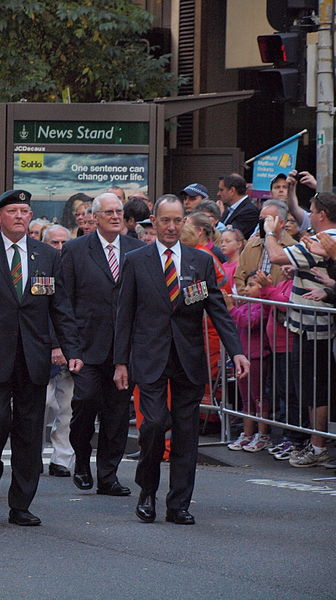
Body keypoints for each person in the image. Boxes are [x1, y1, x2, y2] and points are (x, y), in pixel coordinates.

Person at [0, 190, 82, 527]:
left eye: (25, 210)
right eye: (13, 210)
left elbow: (60, 306)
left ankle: (21, 503)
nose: (21, 216)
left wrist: (72, 349)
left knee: (28, 430)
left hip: (33, 356)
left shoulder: (46, 255)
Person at [114, 195, 248, 525]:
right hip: (150, 356)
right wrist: (120, 362)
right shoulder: (136, 259)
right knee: (155, 424)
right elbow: (124, 315)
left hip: (188, 357)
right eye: (165, 221)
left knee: (187, 433)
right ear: (154, 223)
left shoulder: (199, 261)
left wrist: (237, 350)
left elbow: (217, 308)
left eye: (178, 220)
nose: (172, 227)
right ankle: (147, 490)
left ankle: (179, 504)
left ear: (184, 221)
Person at [62, 193, 143, 495]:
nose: (115, 216)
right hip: (86, 347)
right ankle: (82, 459)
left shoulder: (137, 250)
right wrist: (67, 347)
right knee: (84, 403)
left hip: (124, 349)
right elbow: (64, 301)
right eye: (108, 212)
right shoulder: (74, 250)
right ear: (94, 217)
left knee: (117, 413)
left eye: (119, 211)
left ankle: (108, 475)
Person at [263, 194, 336, 467]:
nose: (310, 216)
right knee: (308, 385)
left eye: (313, 211)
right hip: (307, 325)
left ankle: (317, 447)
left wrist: (271, 232)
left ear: (322, 214)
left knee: (314, 387)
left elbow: (274, 255)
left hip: (314, 327)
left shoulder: (323, 239)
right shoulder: (320, 241)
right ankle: (315, 442)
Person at [41, 225, 75, 478]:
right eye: (54, 242)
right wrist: (55, 344)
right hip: (42, 347)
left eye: (64, 242)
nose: (60, 248)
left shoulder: (75, 267)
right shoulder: (40, 267)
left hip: (73, 349)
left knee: (66, 408)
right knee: (40, 406)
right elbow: (43, 312)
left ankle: (61, 459)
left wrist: (70, 347)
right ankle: (32, 453)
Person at [227, 271, 272, 452]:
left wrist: (231, 308)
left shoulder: (262, 306)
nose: (246, 289)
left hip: (257, 356)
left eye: (252, 285)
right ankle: (247, 433)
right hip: (243, 356)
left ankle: (262, 434)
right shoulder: (246, 305)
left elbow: (249, 322)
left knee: (259, 397)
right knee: (246, 399)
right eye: (246, 284)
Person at [232, 199, 296, 294]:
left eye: (267, 220)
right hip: (251, 306)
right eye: (260, 220)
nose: (263, 224)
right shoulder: (251, 245)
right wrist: (248, 298)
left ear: (281, 223)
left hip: (277, 305)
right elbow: (239, 276)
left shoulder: (293, 248)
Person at [217, 174, 260, 239]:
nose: (218, 194)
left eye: (221, 190)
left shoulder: (249, 211)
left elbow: (231, 237)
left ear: (232, 190)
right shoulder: (229, 209)